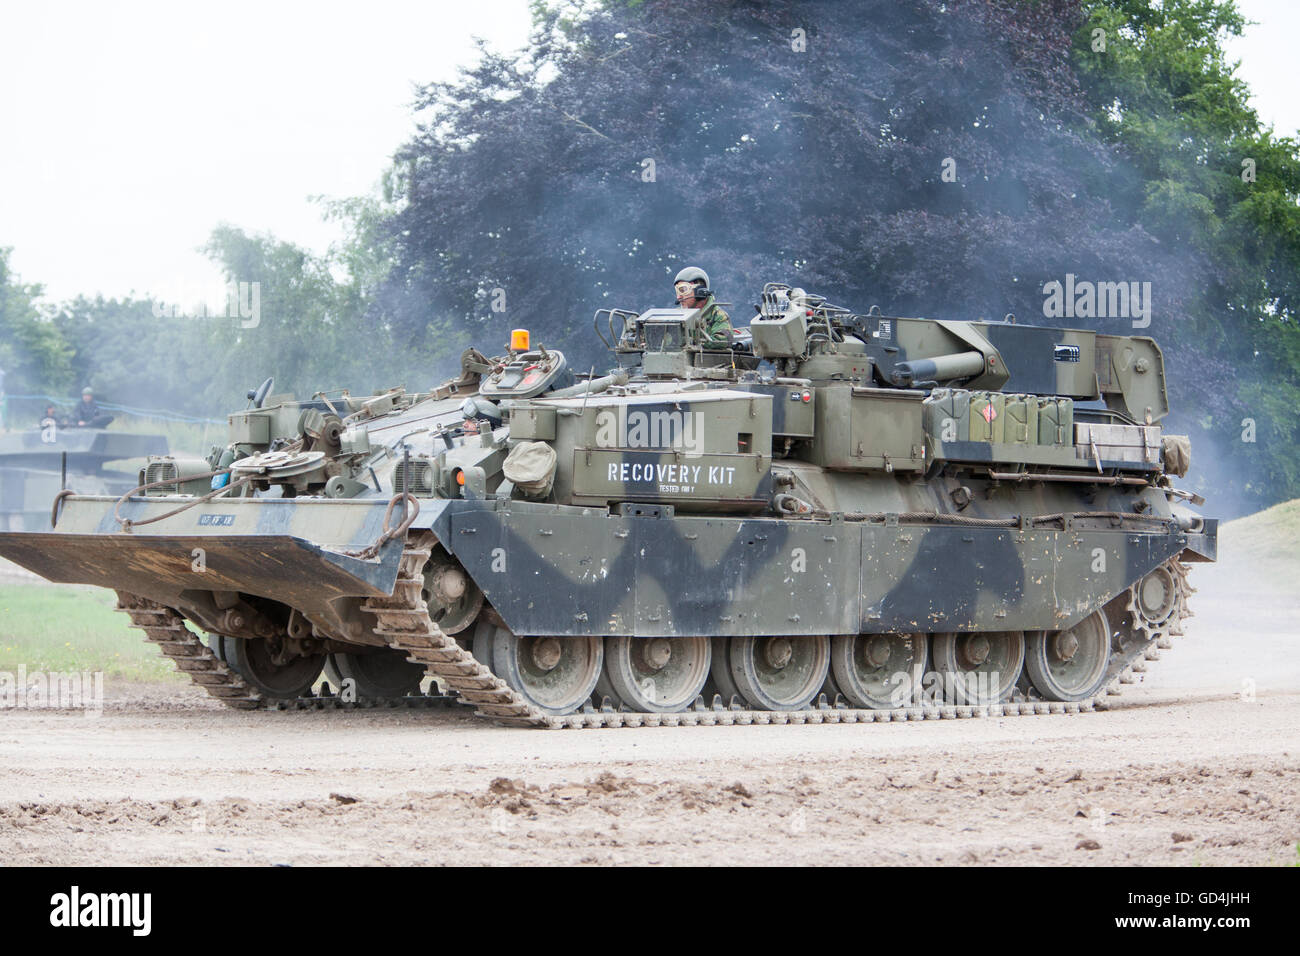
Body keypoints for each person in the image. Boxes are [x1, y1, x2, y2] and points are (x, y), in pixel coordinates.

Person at [673, 266, 732, 346]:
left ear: (700, 291)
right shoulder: (677, 316)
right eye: (677, 292)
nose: (679, 297)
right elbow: (667, 342)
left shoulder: (717, 315)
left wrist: (693, 345)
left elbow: (722, 341)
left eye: (683, 290)